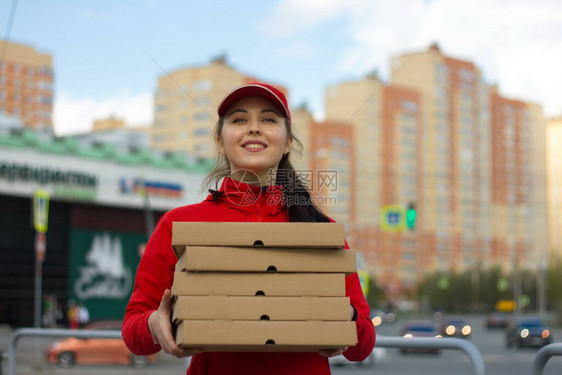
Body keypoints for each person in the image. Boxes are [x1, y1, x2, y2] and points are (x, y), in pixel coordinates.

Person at [122, 82, 376, 374]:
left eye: (268, 119)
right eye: (239, 119)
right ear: (220, 140)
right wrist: (153, 325)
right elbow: (133, 328)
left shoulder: (321, 230)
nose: (254, 128)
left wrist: (345, 318)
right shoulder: (177, 225)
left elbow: (364, 345)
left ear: (288, 141)